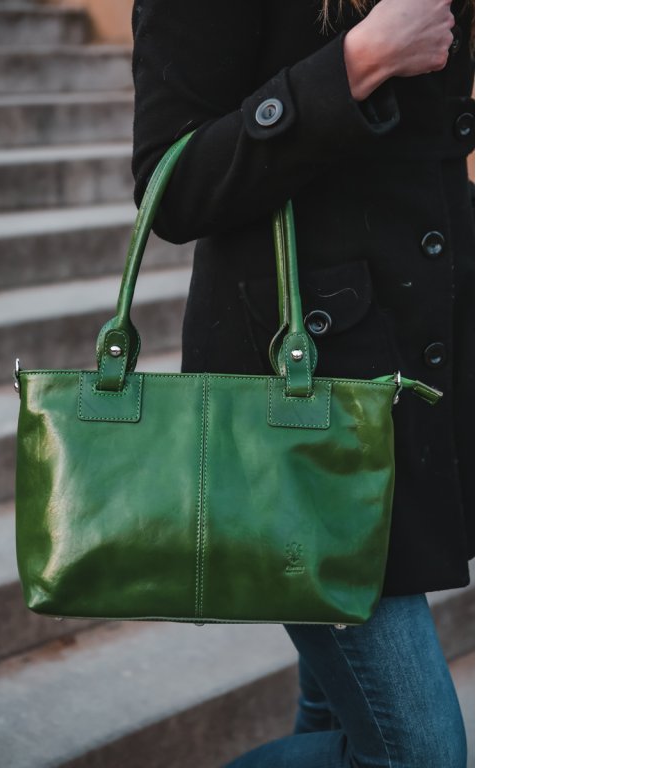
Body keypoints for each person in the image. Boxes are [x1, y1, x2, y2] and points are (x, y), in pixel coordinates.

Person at [130, 0, 474, 765]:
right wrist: (357, 64)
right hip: (307, 409)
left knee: (337, 719)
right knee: (420, 754)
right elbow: (171, 182)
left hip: (408, 378)